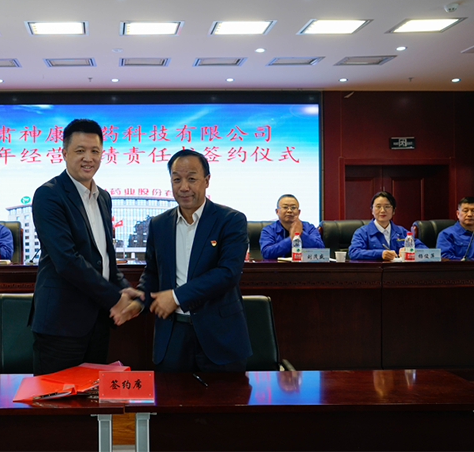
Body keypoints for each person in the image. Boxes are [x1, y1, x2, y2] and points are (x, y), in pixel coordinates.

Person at [28, 119, 140, 376]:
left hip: (97, 321)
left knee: (92, 397)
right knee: (56, 398)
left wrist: (125, 289)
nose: (88, 158)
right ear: (64, 153)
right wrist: (115, 298)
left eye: (94, 151)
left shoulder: (103, 197)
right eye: (80, 150)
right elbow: (67, 260)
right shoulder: (49, 195)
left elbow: (104, 259)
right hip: (60, 324)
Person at [134, 149, 251, 372]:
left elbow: (228, 273)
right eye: (176, 179)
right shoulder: (159, 224)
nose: (184, 187)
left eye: (191, 179)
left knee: (224, 395)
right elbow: (153, 272)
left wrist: (176, 297)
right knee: (171, 395)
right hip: (172, 335)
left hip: (220, 335)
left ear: (206, 181)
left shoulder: (231, 220)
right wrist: (139, 300)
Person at [349, 191, 426, 260]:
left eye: (387, 206)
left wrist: (410, 251)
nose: (383, 210)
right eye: (378, 206)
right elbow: (353, 252)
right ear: (372, 210)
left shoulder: (401, 231)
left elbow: (424, 249)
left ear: (394, 211)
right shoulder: (362, 232)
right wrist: (380, 254)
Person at [259, 194, 324, 259]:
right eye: (285, 207)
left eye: (293, 208)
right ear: (277, 211)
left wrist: (301, 234)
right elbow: (266, 253)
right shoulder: (268, 230)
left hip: (303, 265)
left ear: (299, 212)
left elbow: (321, 252)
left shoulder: (309, 228)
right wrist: (291, 239)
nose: (289, 211)